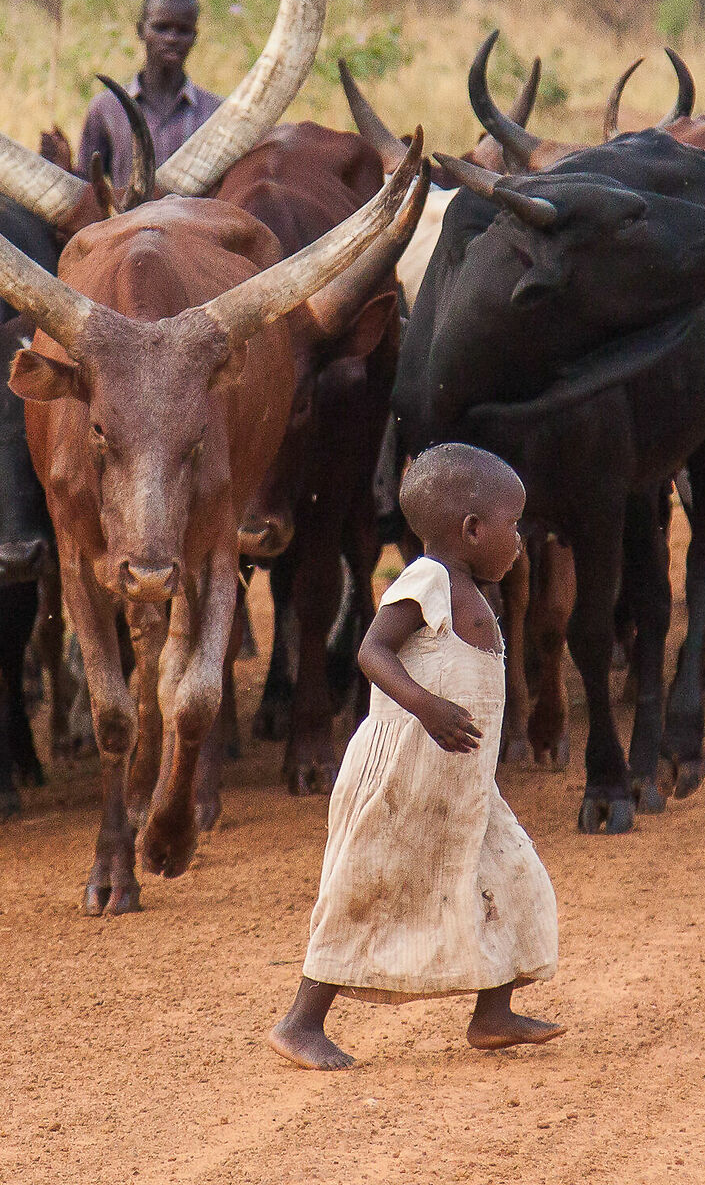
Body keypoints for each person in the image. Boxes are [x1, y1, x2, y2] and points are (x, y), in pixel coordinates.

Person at [267, 442, 563, 1071]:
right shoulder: (427, 580)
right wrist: (427, 707)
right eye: (512, 526)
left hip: (460, 782)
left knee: (514, 875)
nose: (519, 540)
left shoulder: (476, 590)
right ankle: (300, 1023)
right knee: (366, 887)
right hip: (403, 773)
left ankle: (492, 1012)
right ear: (472, 529)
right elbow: (373, 654)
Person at [76, 0, 220, 183]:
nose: (172, 38)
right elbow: (88, 187)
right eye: (161, 28)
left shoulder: (215, 113)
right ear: (141, 30)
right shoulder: (106, 108)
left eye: (183, 30)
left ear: (194, 37)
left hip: (192, 215)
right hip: (129, 215)